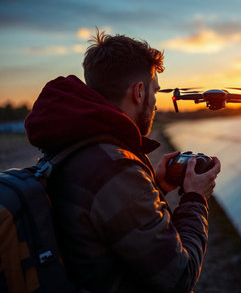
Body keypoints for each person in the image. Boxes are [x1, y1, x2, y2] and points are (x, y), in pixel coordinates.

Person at [25, 29, 221, 293]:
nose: (154, 103)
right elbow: (179, 277)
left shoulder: (74, 144)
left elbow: (100, 223)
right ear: (139, 92)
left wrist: (157, 188)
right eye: (154, 91)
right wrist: (195, 199)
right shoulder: (114, 167)